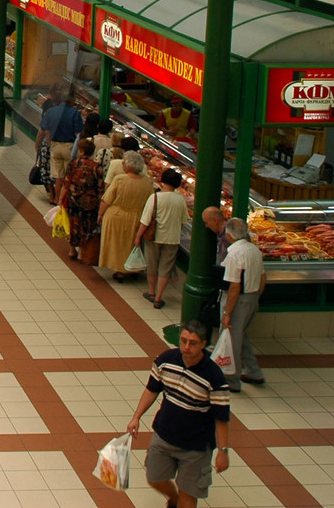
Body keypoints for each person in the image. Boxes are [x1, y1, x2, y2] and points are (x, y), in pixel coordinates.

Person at [126, 321, 231, 508]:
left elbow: (221, 418)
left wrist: (223, 451)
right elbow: (152, 389)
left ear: (203, 344)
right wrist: (136, 417)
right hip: (164, 435)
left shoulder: (214, 377)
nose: (186, 347)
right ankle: (173, 499)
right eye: (183, 341)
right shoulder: (165, 360)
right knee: (154, 478)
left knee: (188, 496)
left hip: (195, 447)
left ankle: (180, 500)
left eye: (193, 343)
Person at [218, 217, 265, 392]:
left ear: (228, 235)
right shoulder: (254, 250)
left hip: (239, 301)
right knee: (241, 335)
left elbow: (234, 286)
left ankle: (231, 380)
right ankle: (253, 371)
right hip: (252, 298)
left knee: (232, 340)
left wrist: (227, 313)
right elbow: (262, 277)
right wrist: (256, 299)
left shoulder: (234, 253)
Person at [99, 151, 155, 281]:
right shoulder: (147, 182)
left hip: (116, 215)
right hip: (137, 217)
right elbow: (150, 202)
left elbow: (107, 199)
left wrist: (100, 214)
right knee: (131, 243)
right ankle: (132, 267)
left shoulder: (119, 179)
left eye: (124, 162)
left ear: (129, 166)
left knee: (117, 244)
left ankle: (120, 270)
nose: (122, 164)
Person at [137, 169, 188, 309]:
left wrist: (138, 236)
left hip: (154, 237)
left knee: (152, 265)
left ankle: (151, 292)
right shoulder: (180, 200)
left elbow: (145, 220)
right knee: (165, 268)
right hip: (172, 238)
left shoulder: (155, 197)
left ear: (163, 180)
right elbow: (183, 221)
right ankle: (159, 297)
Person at [57, 139, 104, 264]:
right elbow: (100, 187)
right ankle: (82, 253)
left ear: (82, 152)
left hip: (74, 199)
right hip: (90, 202)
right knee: (87, 227)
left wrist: (61, 199)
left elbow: (66, 183)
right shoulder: (97, 167)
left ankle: (72, 250)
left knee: (74, 224)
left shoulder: (74, 164)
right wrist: (100, 203)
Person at [37, 86, 84, 187]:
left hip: (55, 146)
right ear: (72, 101)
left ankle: (57, 200)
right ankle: (64, 201)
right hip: (69, 147)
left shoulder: (51, 111)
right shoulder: (75, 113)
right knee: (68, 176)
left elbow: (45, 130)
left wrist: (50, 144)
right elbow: (78, 134)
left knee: (59, 177)